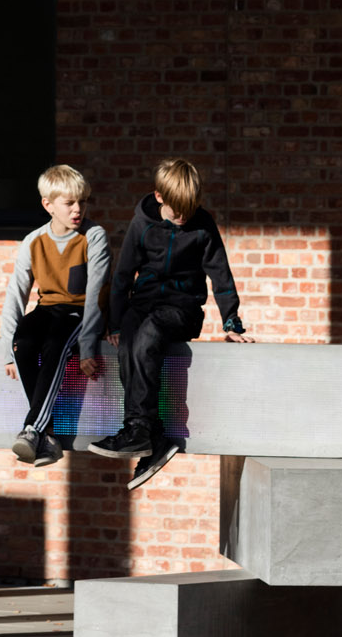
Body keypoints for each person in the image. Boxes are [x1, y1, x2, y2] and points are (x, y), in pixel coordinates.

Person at [89, 156, 249, 489]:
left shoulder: (203, 226)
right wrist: (116, 324)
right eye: (177, 212)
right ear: (160, 197)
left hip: (182, 308)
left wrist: (231, 322)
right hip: (142, 303)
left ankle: (142, 430)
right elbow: (122, 276)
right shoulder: (142, 224)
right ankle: (145, 432)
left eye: (188, 212)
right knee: (129, 343)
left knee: (148, 335)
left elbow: (220, 275)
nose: (182, 219)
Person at [0, 163, 108, 468]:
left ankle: (33, 429)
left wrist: (88, 347)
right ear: (48, 205)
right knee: (25, 343)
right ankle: (45, 435)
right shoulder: (33, 241)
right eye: (69, 203)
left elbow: (97, 294)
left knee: (54, 347)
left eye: (83, 202)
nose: (78, 209)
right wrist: (8, 349)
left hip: (79, 312)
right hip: (47, 309)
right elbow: (16, 294)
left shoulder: (94, 236)